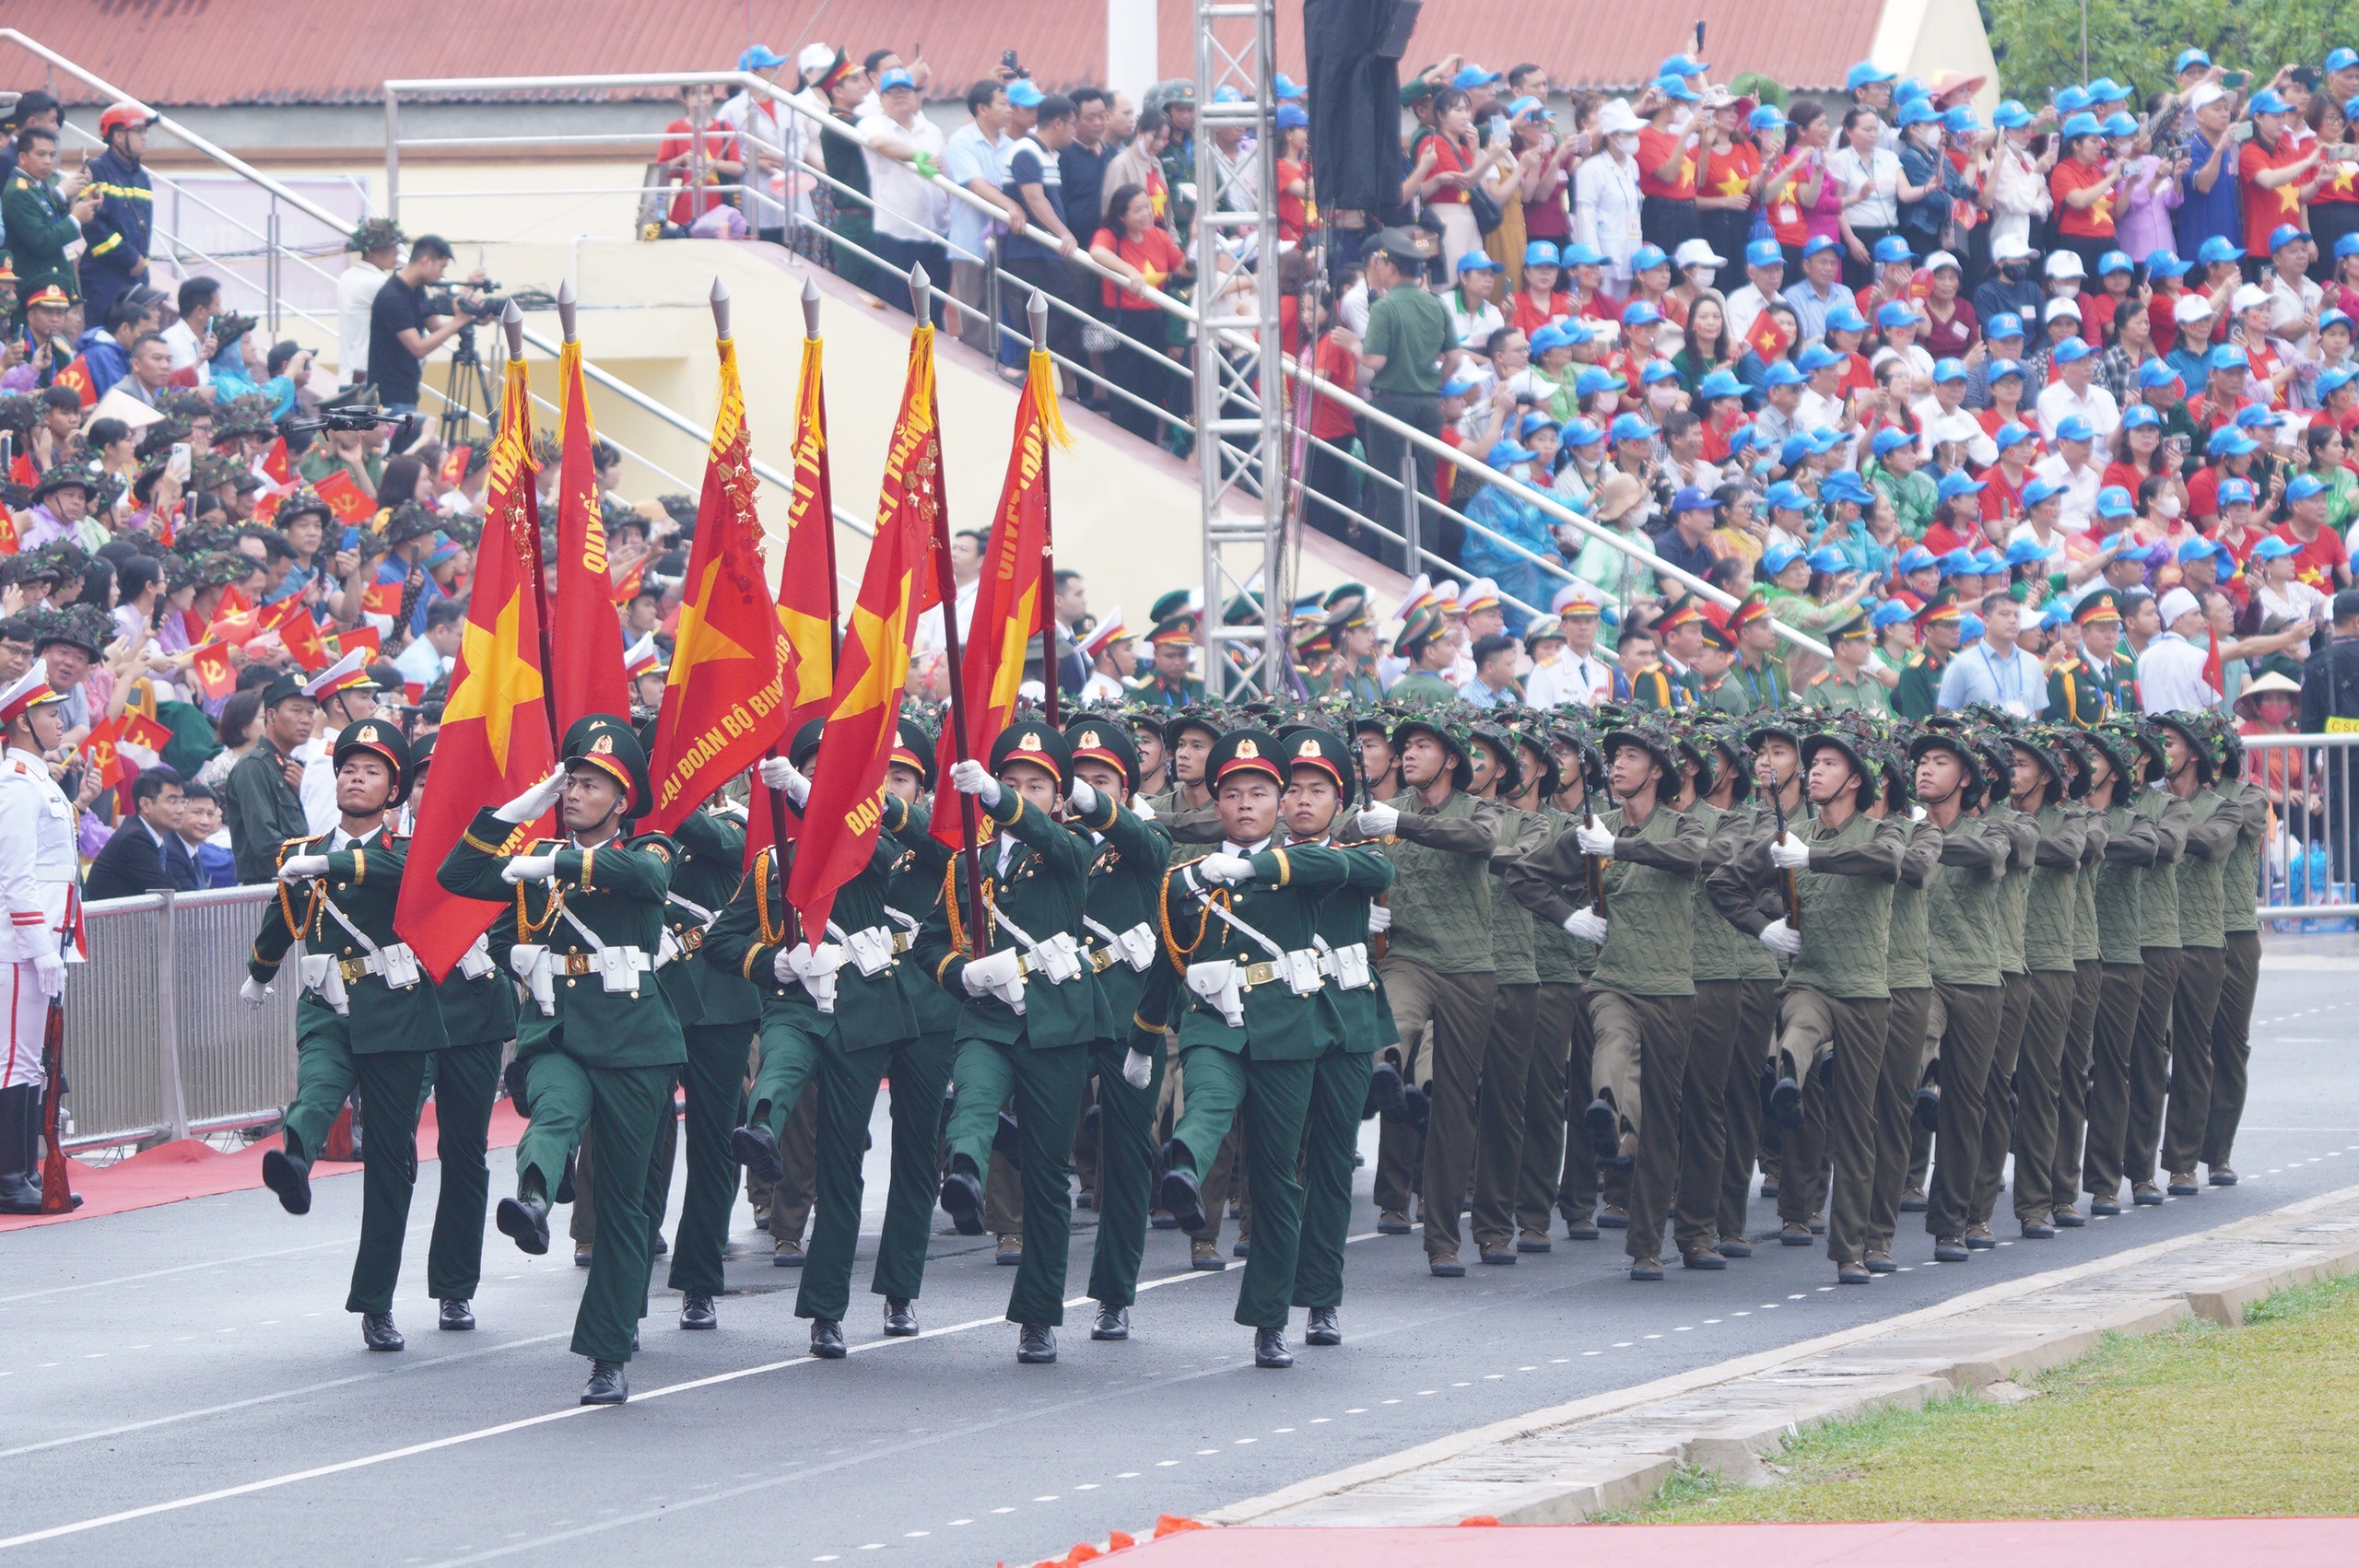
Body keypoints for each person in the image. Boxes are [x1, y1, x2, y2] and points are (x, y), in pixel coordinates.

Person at [440, 716, 683, 1406]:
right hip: (560, 1031)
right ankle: (536, 1198)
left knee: (625, 1205)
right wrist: (527, 807)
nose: (576, 793)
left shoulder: (651, 848)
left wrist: (552, 861)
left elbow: (642, 877)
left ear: (623, 799)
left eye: (591, 784)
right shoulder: (536, 853)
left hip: (636, 1040)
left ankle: (607, 1352)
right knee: (553, 1110)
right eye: (571, 781)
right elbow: (457, 872)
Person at [1130, 728, 1378, 1365]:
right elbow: (1170, 957)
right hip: (1268, 1025)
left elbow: (1368, 868)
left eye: (1270, 791)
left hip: (1338, 1023)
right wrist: (1145, 1034)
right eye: (1235, 793)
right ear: (1217, 804)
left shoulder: (1318, 860)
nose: (1256, 803)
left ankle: (1320, 1295)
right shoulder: (1195, 877)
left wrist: (1255, 864)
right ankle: (1270, 1316)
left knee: (1325, 1168)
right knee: (1275, 1173)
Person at [708, 720, 923, 1351]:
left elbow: (879, 856)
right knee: (779, 1061)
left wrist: (808, 792)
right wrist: (771, 963)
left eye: (828, 774)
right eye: (809, 769)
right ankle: (763, 1130)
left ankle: (827, 1308)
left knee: (841, 1169)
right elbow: (723, 940)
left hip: (862, 1011)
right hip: (797, 1003)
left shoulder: (872, 849)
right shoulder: (771, 864)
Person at [241, 719, 446, 1352]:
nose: (356, 778)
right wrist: (259, 972)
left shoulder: (405, 848)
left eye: (372, 770)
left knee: (391, 1160)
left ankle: (376, 1301)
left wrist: (322, 863)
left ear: (395, 790)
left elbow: (386, 871)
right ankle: (295, 1161)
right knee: (319, 1086)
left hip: (398, 1009)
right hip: (327, 1003)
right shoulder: (301, 852)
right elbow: (283, 913)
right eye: (349, 768)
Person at [915, 719, 1114, 1365]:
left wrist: (1004, 804)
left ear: (1060, 797)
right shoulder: (966, 864)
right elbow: (928, 943)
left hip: (1056, 1022)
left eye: (1037, 784)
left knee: (1047, 1175)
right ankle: (966, 1170)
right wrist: (960, 972)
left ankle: (1037, 1315)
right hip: (989, 1014)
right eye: (1009, 782)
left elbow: (1061, 847)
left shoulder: (1072, 845)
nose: (1021, 793)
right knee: (973, 1092)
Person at [1511, 718, 1704, 1281]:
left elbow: (1688, 859)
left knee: (1664, 1125)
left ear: (1658, 771)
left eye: (1630, 756)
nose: (1616, 764)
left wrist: (1615, 847)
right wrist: (1569, 916)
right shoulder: (1590, 829)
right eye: (1613, 756)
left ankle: (1646, 1246)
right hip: (1612, 978)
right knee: (1611, 1038)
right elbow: (1525, 878)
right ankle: (1605, 1112)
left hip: (1672, 988)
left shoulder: (1682, 826)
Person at [0, 667, 79, 1217]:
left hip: (42, 944)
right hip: (19, 947)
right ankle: (10, 1177)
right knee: (14, 1062)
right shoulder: (16, 787)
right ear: (23, 723)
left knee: (31, 1063)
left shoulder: (41, 781)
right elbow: (15, 878)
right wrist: (39, 946)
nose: (60, 720)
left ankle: (24, 1168)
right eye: (50, 713)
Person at [1359, 229, 1458, 557]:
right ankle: (1425, 562)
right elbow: (1454, 358)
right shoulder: (1436, 304)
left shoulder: (1385, 307)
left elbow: (1375, 360)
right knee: (1425, 485)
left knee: (1391, 488)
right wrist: (1434, 384)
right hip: (1428, 404)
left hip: (1392, 403)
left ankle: (1397, 562)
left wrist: (1352, 346)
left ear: (1390, 268)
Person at [366, 235, 487, 431]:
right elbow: (418, 348)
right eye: (442, 267)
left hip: (407, 391)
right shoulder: (392, 297)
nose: (441, 275)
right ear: (425, 261)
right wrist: (459, 321)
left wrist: (473, 315)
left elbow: (437, 329)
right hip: (390, 397)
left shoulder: (416, 290)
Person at [223, 673, 316, 883]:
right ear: (271, 715)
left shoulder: (289, 765)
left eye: (311, 712)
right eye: (296, 710)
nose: (306, 720)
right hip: (266, 889)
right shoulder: (254, 765)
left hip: (294, 882)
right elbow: (266, 842)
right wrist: (318, 862)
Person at [76, 105, 156, 324]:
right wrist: (130, 258)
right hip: (105, 278)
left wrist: (141, 268)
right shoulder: (97, 170)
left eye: (145, 131)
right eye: (138, 131)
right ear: (119, 136)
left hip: (136, 276)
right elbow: (92, 227)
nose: (145, 137)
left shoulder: (142, 177)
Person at [4, 124, 97, 309]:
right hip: (36, 293)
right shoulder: (18, 191)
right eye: (41, 154)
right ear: (22, 157)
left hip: (51, 289)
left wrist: (79, 202)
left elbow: (54, 222)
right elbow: (42, 241)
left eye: (52, 155)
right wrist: (75, 219)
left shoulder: (36, 186)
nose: (48, 161)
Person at [84, 764, 196, 900]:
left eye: (182, 801)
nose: (180, 810)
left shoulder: (148, 834)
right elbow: (166, 894)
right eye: (173, 802)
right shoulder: (134, 839)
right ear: (145, 805)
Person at [337, 219, 403, 387]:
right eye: (391, 246)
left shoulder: (347, 276)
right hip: (365, 381)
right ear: (374, 251)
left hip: (348, 377)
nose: (397, 252)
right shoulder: (377, 283)